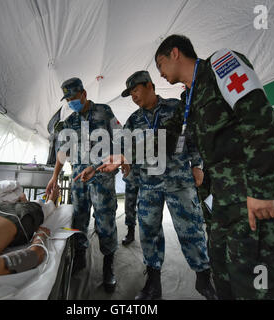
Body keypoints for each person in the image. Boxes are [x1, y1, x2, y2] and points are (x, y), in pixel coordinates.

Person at [154, 34, 274, 299]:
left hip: (253, 193)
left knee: (256, 278)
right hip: (225, 199)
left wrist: (261, 190)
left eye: (160, 66)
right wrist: (123, 157)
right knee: (223, 270)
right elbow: (166, 137)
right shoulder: (188, 98)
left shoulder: (221, 65)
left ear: (174, 53)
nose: (161, 74)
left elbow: (260, 120)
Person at [83, 71, 217, 300]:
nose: (134, 97)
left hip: (179, 181)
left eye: (136, 90)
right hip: (149, 183)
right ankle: (153, 283)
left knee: (192, 229)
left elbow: (192, 136)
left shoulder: (175, 107)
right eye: (130, 93)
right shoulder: (134, 120)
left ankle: (204, 278)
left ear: (150, 86)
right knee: (149, 232)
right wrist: (94, 166)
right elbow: (119, 148)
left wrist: (198, 165)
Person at [45, 77, 122, 293]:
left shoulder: (104, 112)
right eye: (67, 99)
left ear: (84, 93)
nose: (70, 102)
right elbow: (61, 154)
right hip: (79, 182)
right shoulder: (70, 122)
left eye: (73, 97)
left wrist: (100, 165)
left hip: (102, 180)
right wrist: (54, 178)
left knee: (105, 221)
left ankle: (109, 264)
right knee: (78, 218)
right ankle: (79, 255)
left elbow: (120, 140)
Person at [121, 168, 139, 246]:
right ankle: (130, 232)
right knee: (129, 206)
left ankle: (150, 236)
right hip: (132, 173)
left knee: (149, 210)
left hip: (150, 175)